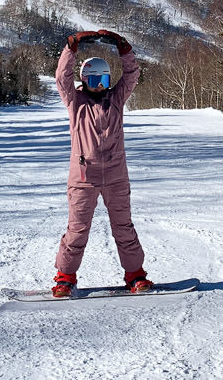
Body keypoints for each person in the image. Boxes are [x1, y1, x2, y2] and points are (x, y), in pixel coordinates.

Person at [51, 28, 153, 297]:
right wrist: (70, 49)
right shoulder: (76, 103)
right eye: (94, 79)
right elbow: (62, 78)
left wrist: (125, 50)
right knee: (77, 230)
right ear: (84, 80)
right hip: (83, 179)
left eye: (104, 79)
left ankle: (135, 275)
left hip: (117, 176)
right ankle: (65, 277)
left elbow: (132, 76)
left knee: (124, 227)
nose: (99, 84)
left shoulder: (116, 100)